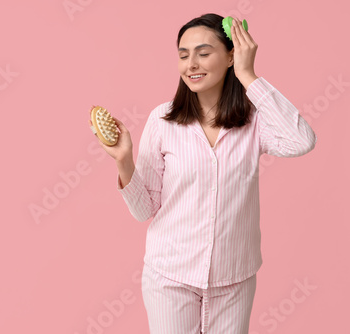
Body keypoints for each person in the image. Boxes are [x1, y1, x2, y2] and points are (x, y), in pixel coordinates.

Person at [88, 13, 317, 334]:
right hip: (170, 278)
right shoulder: (162, 121)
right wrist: (124, 160)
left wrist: (249, 75)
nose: (191, 64)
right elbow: (144, 210)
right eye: (183, 55)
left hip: (234, 280)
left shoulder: (255, 121)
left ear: (230, 56)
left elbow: (301, 141)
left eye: (204, 53)